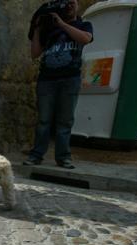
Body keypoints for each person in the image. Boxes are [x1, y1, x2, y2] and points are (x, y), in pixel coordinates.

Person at [23, 0, 93, 169]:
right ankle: (36, 155)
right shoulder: (49, 28)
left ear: (77, 6)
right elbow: (35, 53)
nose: (69, 5)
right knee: (43, 120)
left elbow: (85, 39)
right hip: (47, 79)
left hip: (70, 79)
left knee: (65, 121)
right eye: (66, 3)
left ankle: (63, 157)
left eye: (73, 2)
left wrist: (61, 24)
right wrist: (38, 28)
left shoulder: (83, 25)